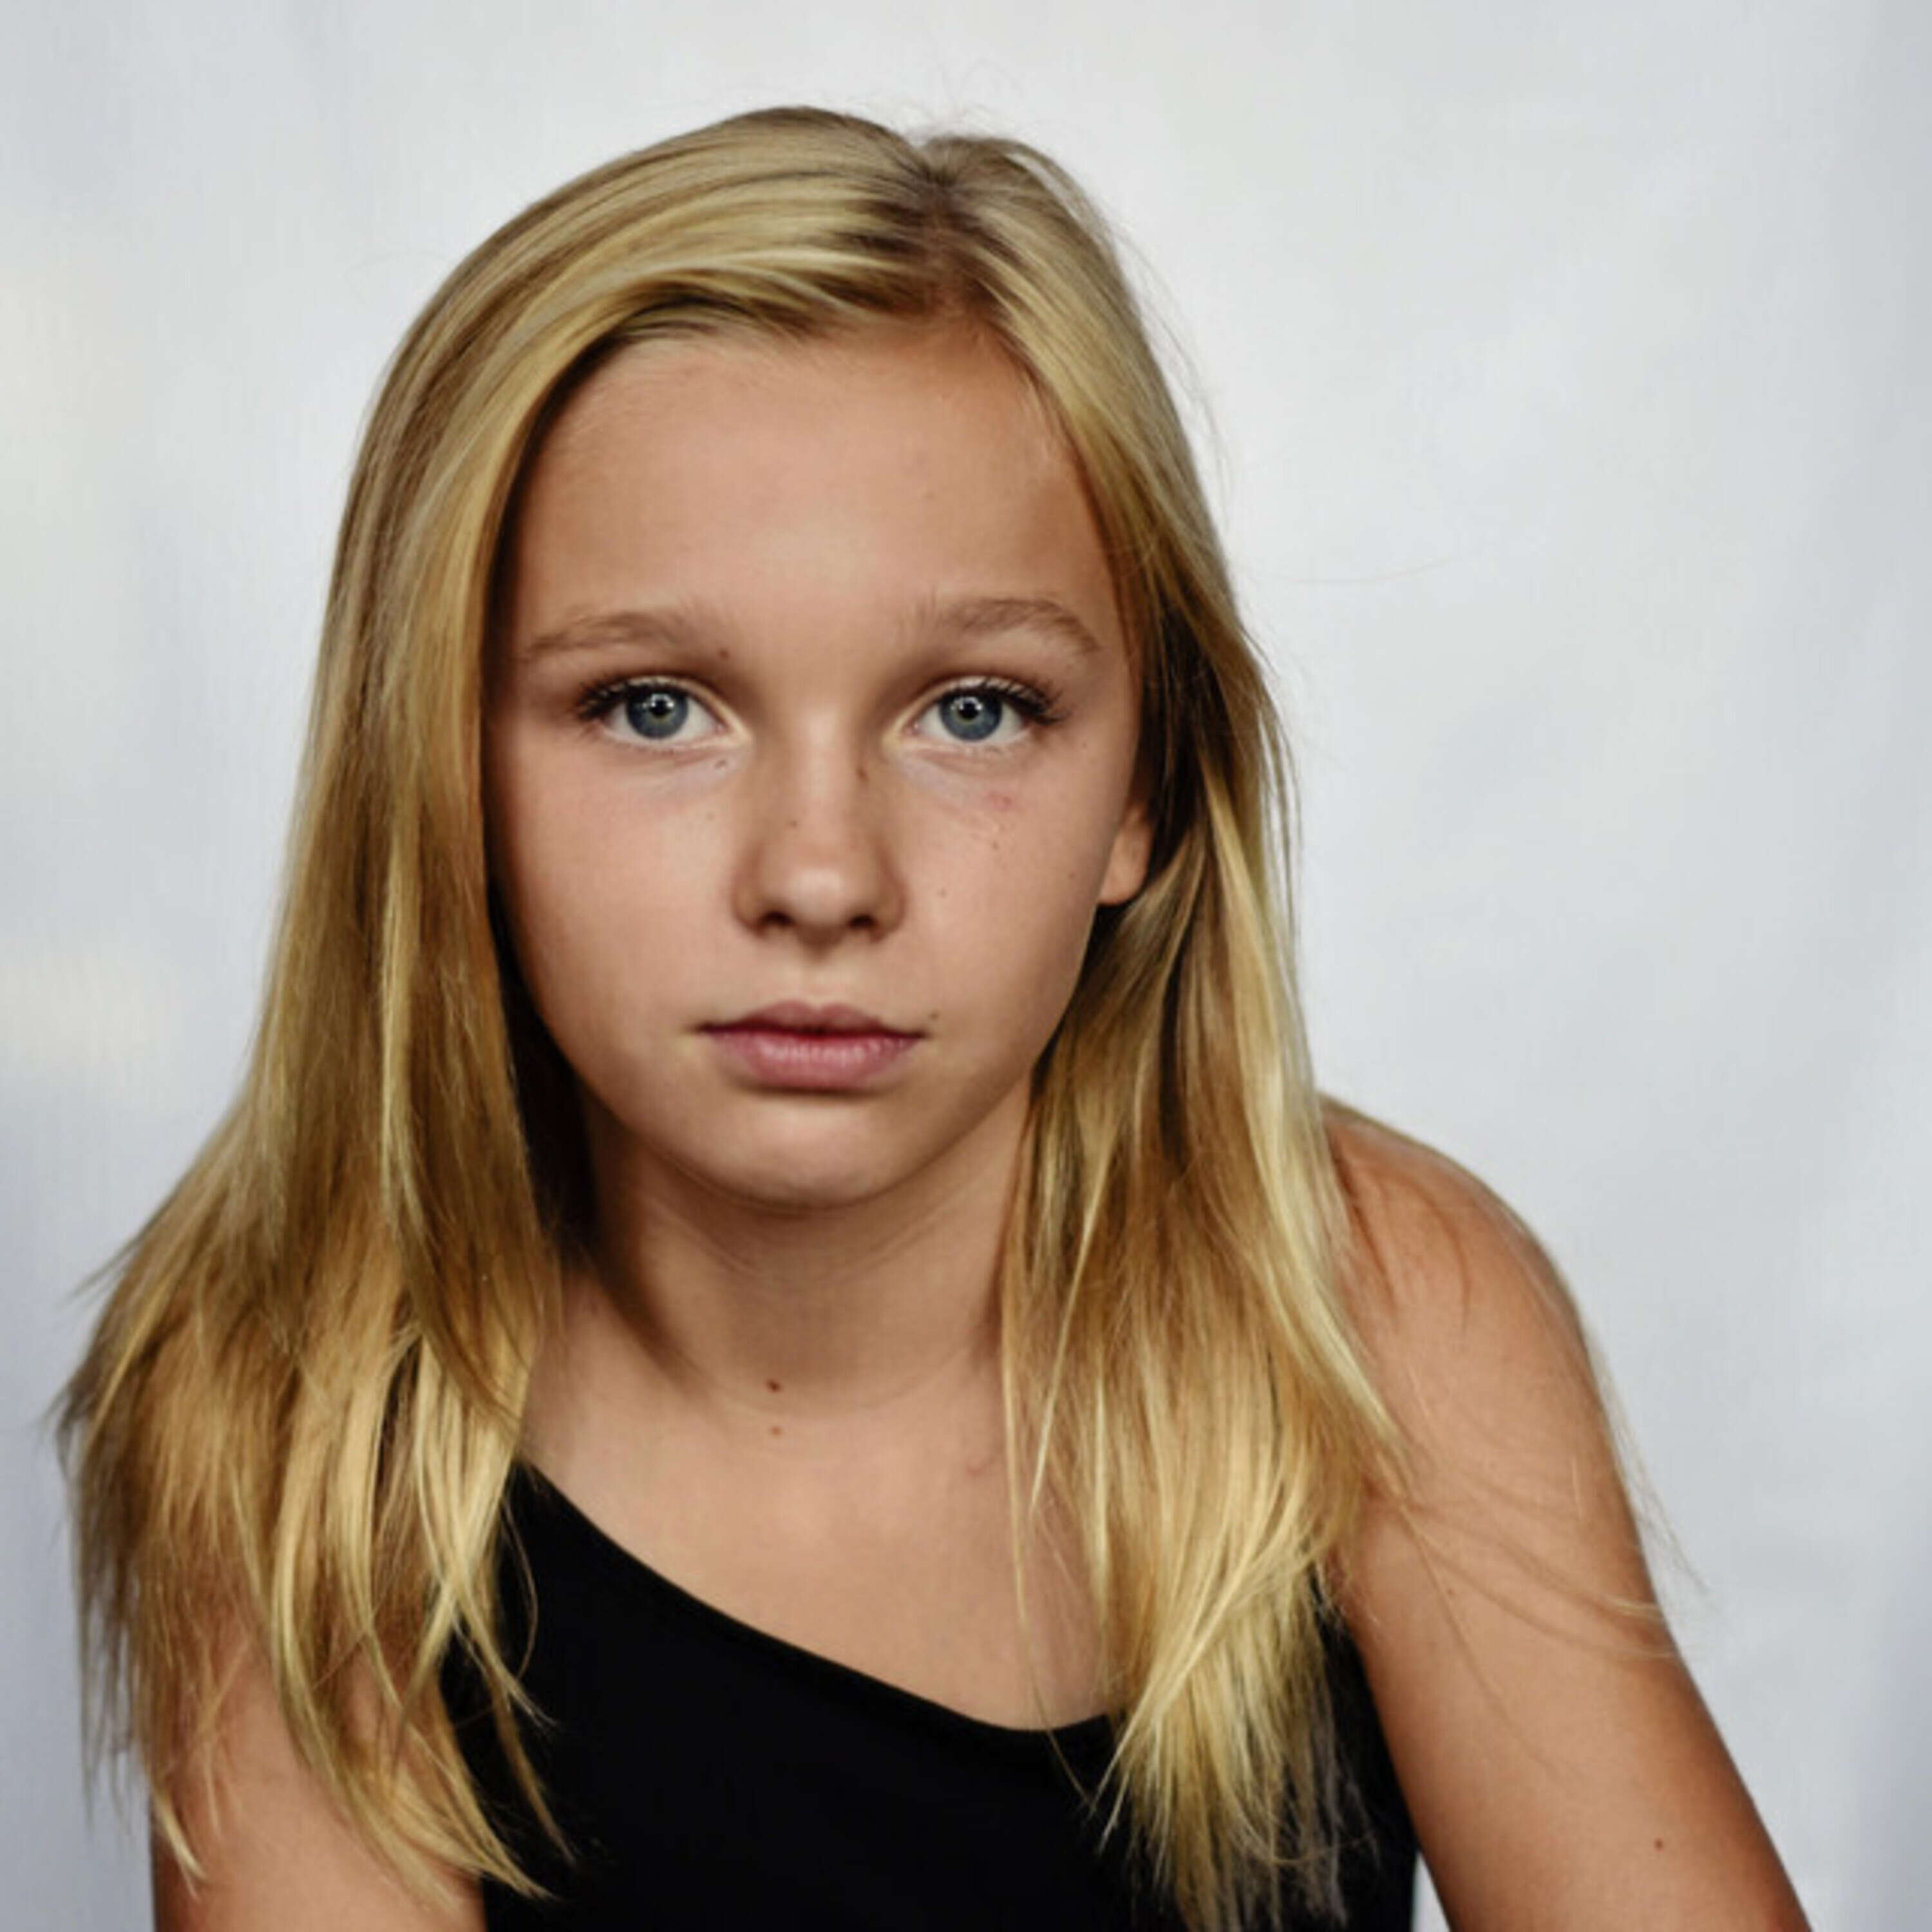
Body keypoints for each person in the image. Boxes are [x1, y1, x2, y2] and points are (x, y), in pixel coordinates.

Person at [61, 106, 1807, 1931]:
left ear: (1145, 791)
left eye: (974, 710)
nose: (822, 875)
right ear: (442, 776)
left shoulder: (1367, 1305)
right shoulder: (308, 1417)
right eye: (656, 707)